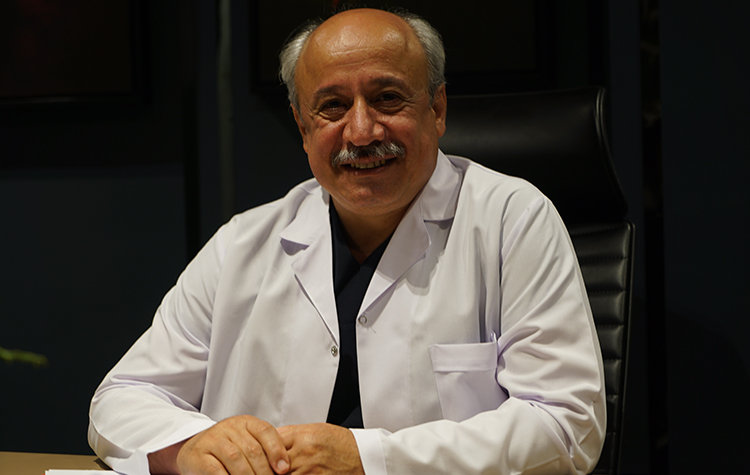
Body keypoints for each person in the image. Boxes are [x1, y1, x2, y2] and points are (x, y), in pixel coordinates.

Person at [88, 7, 605, 475]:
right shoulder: (243, 243)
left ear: (437, 108)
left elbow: (566, 425)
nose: (361, 131)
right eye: (332, 106)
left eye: (387, 98)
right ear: (302, 127)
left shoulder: (513, 220)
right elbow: (122, 397)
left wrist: (369, 459)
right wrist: (189, 446)